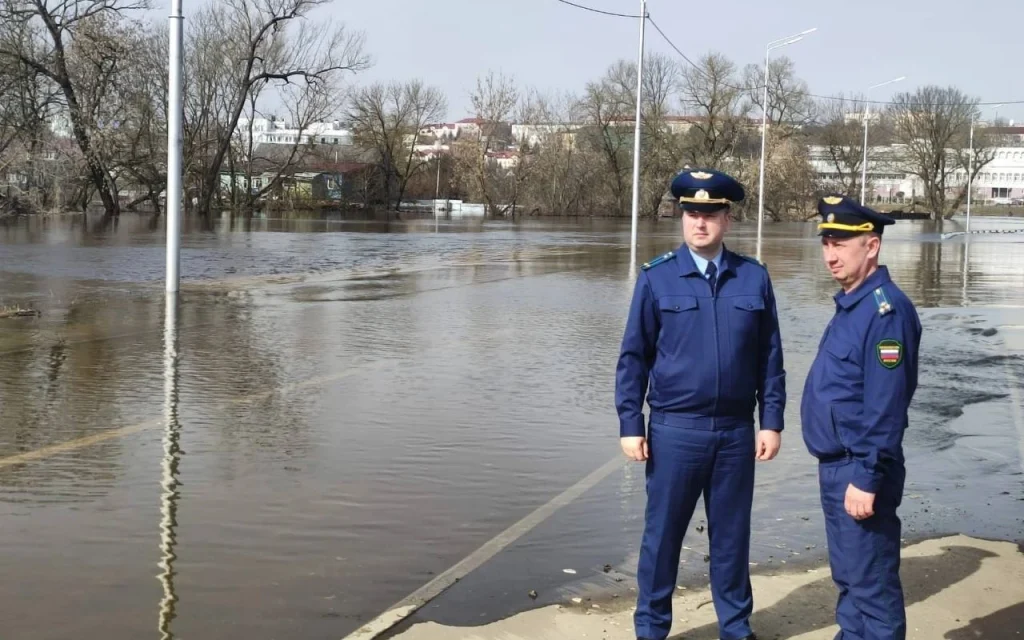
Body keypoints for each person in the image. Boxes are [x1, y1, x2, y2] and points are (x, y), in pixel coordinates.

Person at [615, 168, 786, 640]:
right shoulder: (657, 278)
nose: (700, 223)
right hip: (675, 431)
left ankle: (735, 627)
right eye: (692, 213)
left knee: (732, 540)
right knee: (663, 539)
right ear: (681, 216)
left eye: (710, 214)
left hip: (734, 432)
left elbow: (771, 357)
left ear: (727, 219)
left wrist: (771, 421)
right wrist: (631, 423)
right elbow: (633, 357)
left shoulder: (753, 278)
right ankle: (651, 629)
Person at [801, 194, 922, 640]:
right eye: (826, 243)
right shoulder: (853, 304)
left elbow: (887, 407)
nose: (830, 255)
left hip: (860, 468)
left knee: (872, 587)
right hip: (839, 466)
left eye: (842, 244)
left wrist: (869, 476)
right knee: (850, 581)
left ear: (871, 247)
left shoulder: (885, 312)